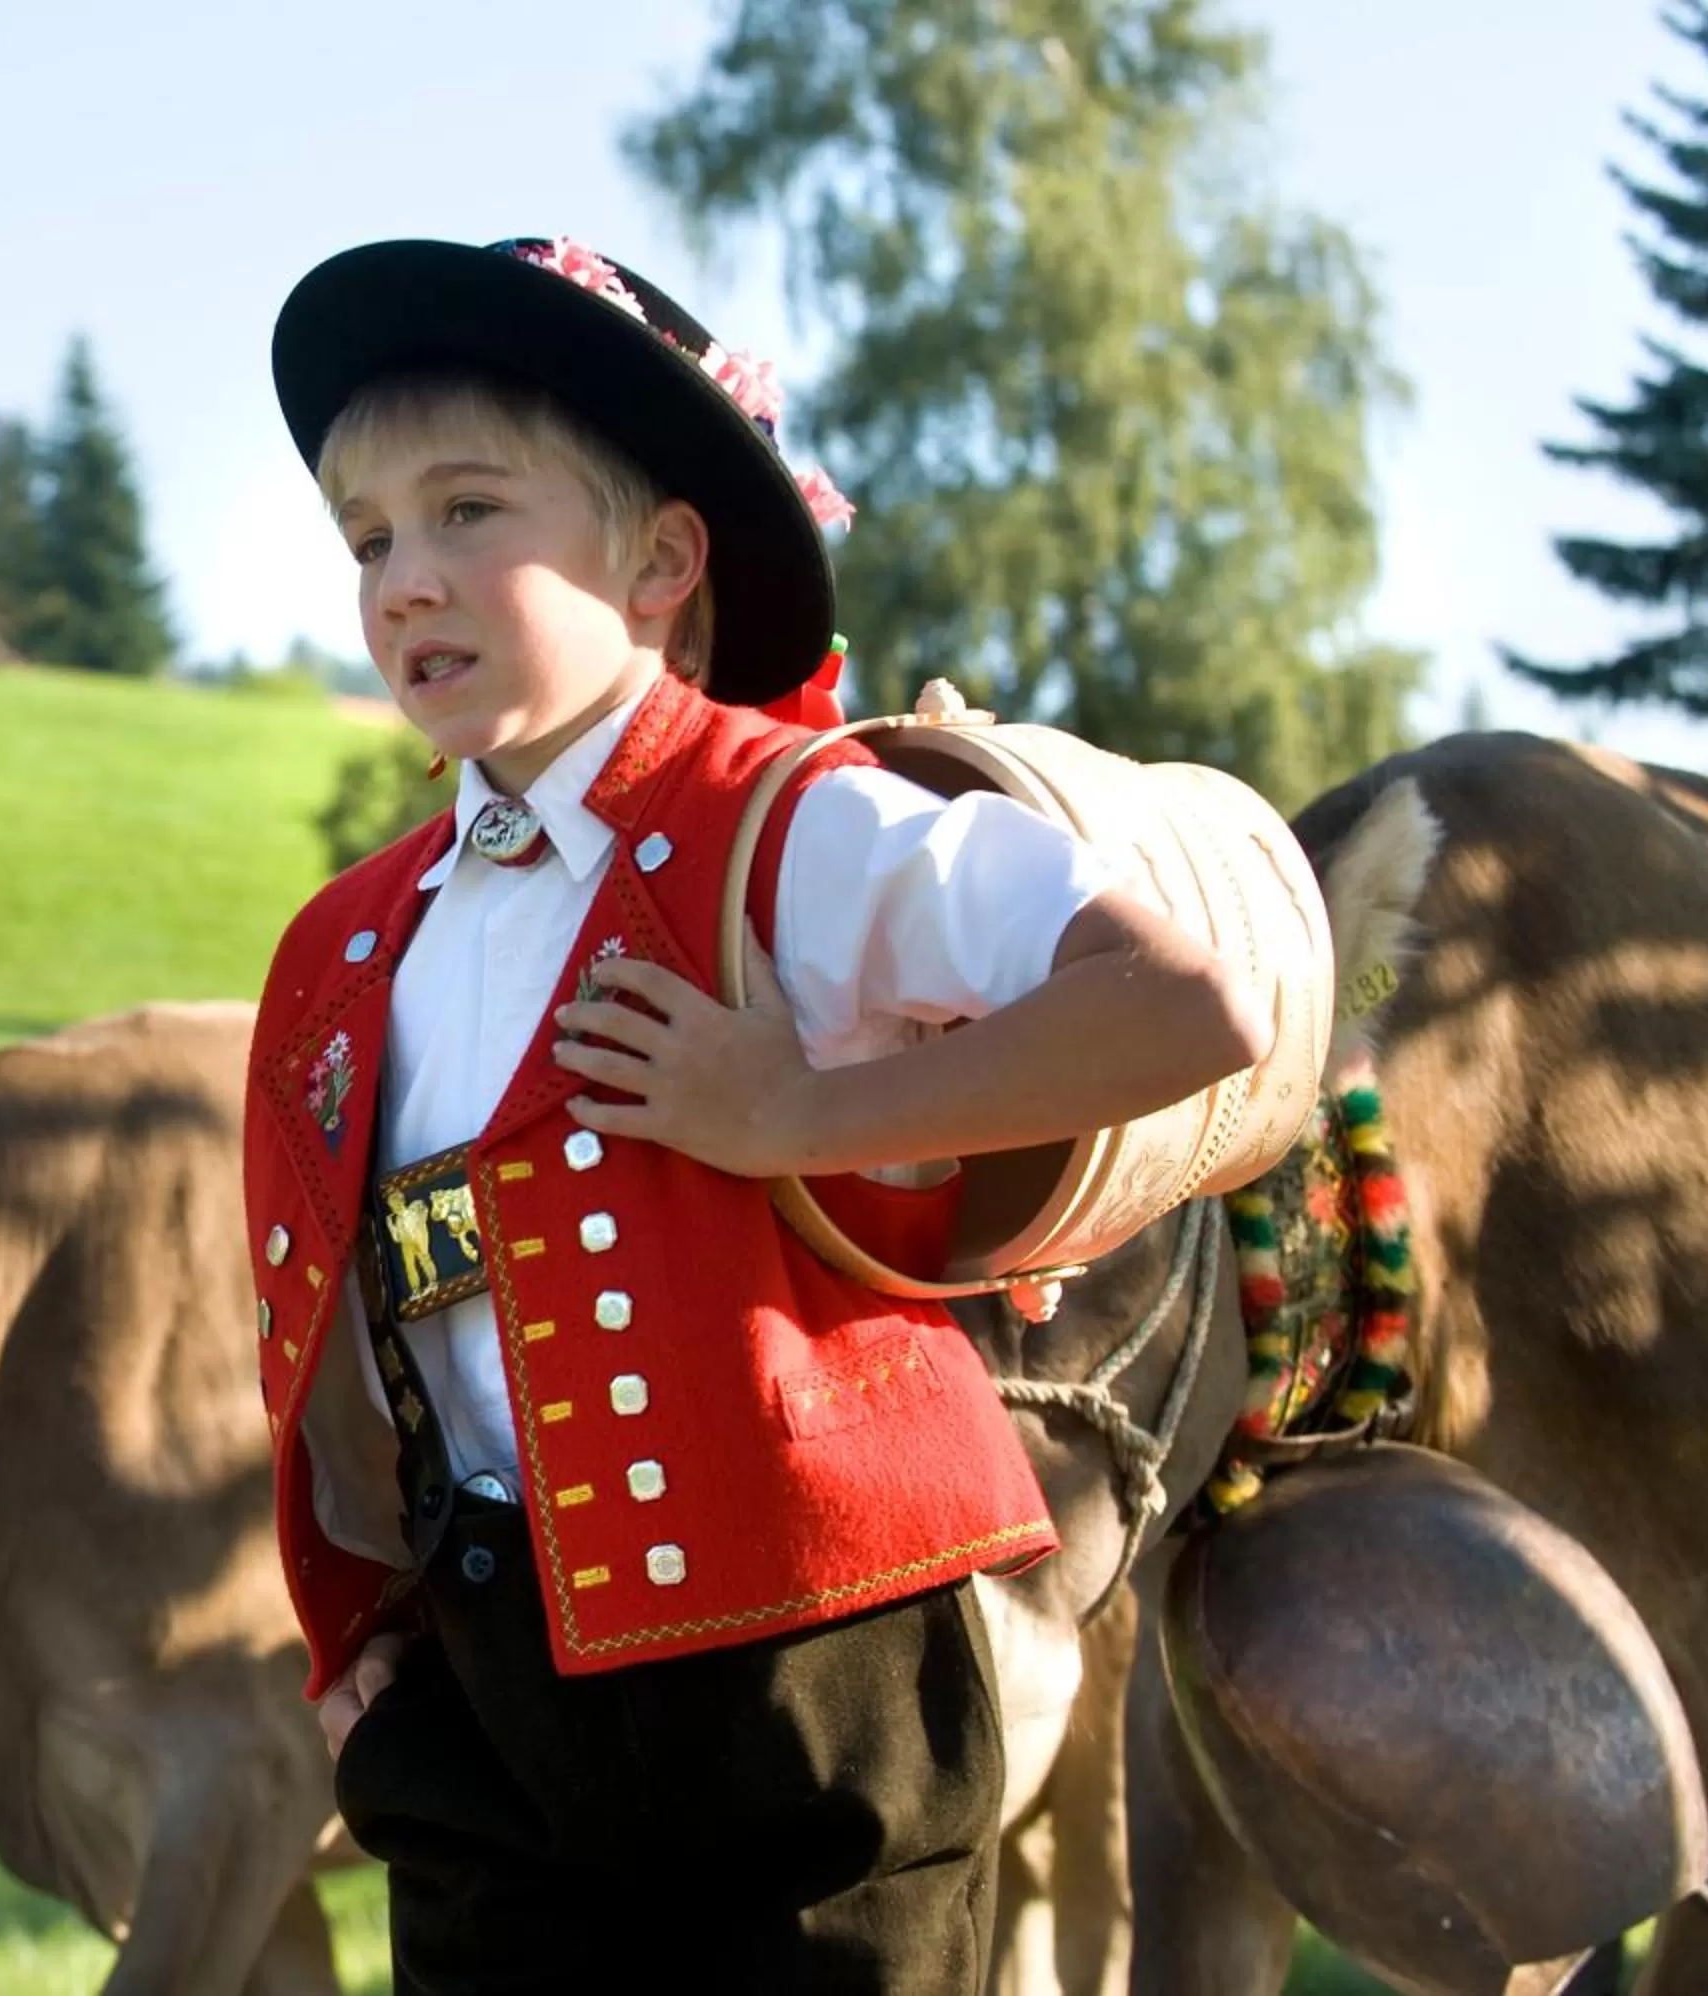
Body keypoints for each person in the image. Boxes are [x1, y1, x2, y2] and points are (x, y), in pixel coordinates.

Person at [241, 235, 1271, 1991]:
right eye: (367, 539)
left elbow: (1190, 1003)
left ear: (660, 563)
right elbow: (341, 1325)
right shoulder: (348, 948)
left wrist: (799, 1103)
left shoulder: (802, 828)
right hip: (486, 1687)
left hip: (808, 1685)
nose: (406, 577)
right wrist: (362, 1632)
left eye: (468, 511)